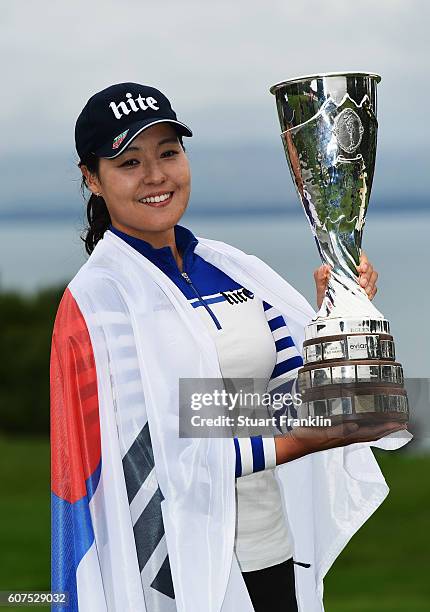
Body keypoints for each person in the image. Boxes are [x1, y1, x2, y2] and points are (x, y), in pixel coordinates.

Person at [50, 82, 409, 612]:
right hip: (183, 576)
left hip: (272, 556)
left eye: (168, 153)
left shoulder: (233, 268)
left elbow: (294, 396)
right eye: (129, 162)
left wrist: (335, 322)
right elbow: (156, 453)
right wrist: (305, 436)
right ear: (92, 179)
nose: (155, 176)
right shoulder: (99, 302)